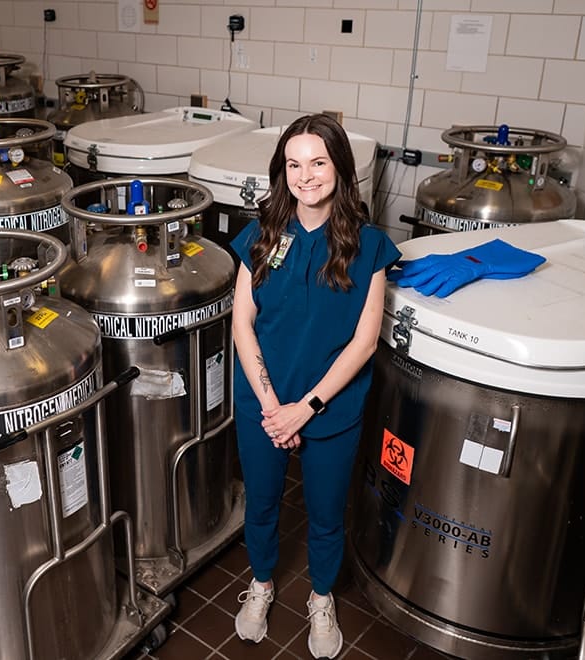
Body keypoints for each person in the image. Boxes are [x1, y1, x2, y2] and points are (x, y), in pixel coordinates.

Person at [230, 114, 400, 659]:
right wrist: (271, 406)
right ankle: (260, 584)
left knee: (327, 516)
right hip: (263, 403)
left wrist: (304, 409)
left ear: (341, 168)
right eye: (294, 164)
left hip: (331, 409)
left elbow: (364, 342)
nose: (306, 176)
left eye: (319, 162)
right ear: (283, 170)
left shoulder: (368, 245)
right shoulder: (261, 236)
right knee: (261, 505)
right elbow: (241, 323)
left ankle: (321, 598)